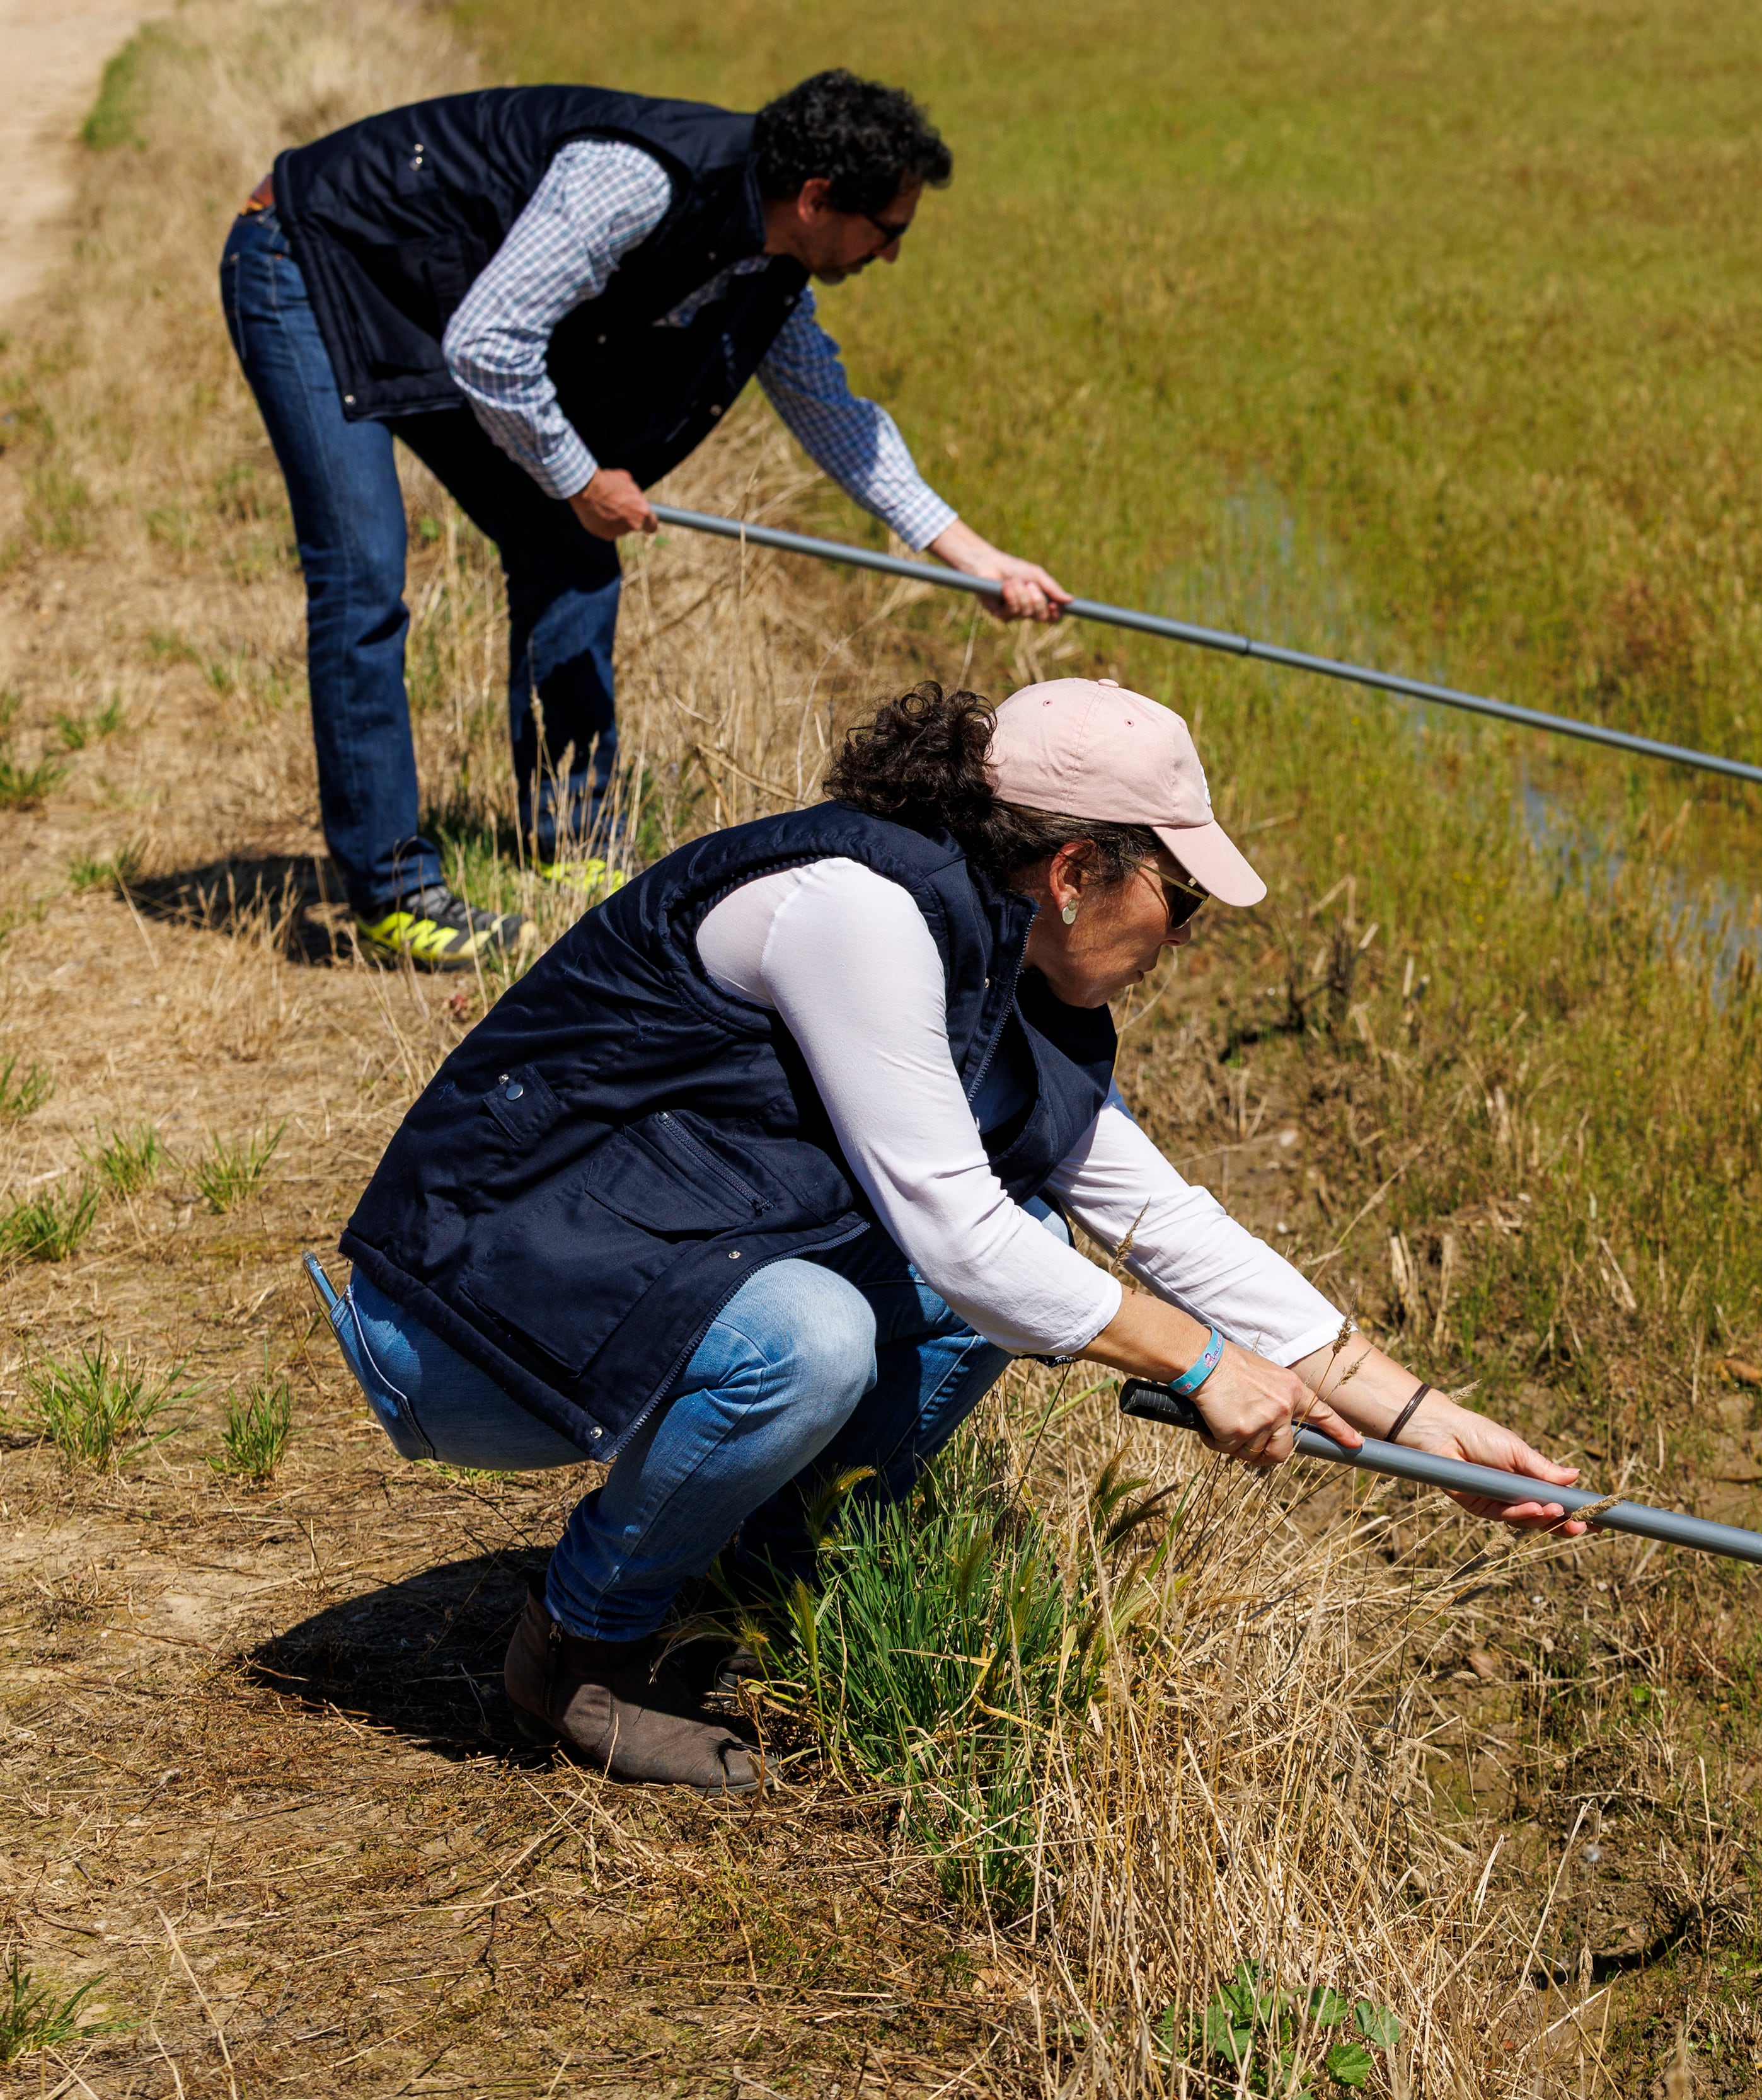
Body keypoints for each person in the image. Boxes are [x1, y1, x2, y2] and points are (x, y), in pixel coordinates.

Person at [314, 677, 1581, 1791]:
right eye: (1181, 901)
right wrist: (1195, 1364)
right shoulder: (857, 911)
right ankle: (581, 1646)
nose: (1184, 945)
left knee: (1012, 1244)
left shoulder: (1000, 964)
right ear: (1079, 869)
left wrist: (1431, 1427)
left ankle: (750, 1588)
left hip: (608, 1271)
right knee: (819, 1333)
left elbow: (1158, 1217)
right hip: (463, 1316)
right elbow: (958, 1235)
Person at [222, 71, 1066, 967]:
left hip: (435, 299)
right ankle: (393, 892)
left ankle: (574, 847)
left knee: (566, 545)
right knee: (363, 575)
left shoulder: (768, 260)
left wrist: (971, 555)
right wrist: (582, 476)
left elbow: (837, 417)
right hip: (311, 261)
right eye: (888, 231)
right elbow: (487, 345)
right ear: (818, 200)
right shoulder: (639, 182)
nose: (891, 255)